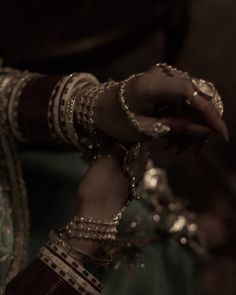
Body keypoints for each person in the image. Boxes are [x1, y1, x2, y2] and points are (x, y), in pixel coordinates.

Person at [0, 64, 227, 294]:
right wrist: (86, 232)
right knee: (145, 269)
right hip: (29, 262)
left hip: (21, 172)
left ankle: (189, 234)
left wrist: (96, 105)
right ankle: (195, 246)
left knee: (133, 203)